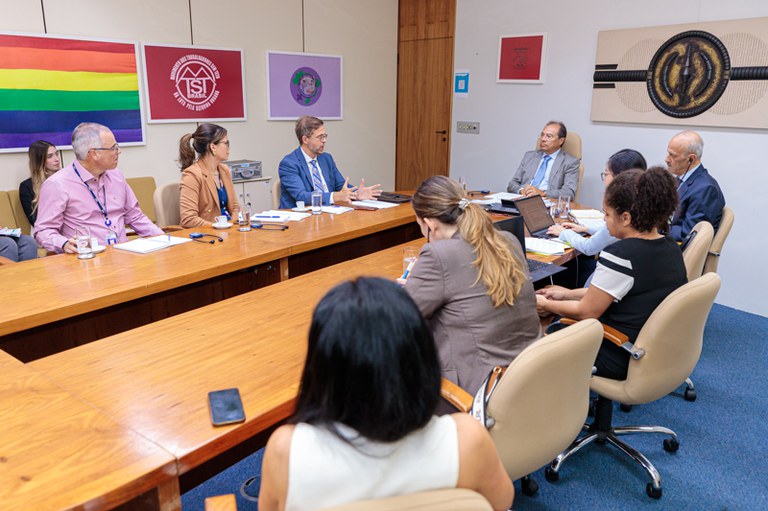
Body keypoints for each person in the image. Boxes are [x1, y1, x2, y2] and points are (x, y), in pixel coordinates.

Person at [258, 277, 514, 511]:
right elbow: (501, 502)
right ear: (421, 360)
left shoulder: (288, 451)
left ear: (321, 370)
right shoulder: (467, 440)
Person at [536, 166, 687, 380]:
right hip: (651, 346)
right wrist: (566, 293)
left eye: (606, 214)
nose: (604, 221)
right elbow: (621, 290)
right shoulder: (670, 246)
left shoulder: (621, 254)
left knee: (540, 329)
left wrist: (543, 304)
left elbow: (586, 312)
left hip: (616, 349)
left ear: (625, 218)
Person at [403, 175, 540, 398]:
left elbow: (400, 318)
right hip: (526, 378)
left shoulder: (440, 255)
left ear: (430, 225)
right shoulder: (507, 240)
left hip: (475, 392)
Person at [34, 122, 163, 254]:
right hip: (86, 261)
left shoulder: (116, 176)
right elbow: (43, 231)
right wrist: (64, 244)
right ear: (94, 154)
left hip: (124, 256)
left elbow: (135, 217)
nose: (118, 152)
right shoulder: (57, 185)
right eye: (113, 148)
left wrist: (164, 239)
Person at [546, 149, 647, 284]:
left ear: (620, 177)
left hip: (600, 282)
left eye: (606, 174)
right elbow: (608, 232)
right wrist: (586, 229)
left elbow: (589, 248)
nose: (604, 218)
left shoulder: (622, 211)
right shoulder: (643, 204)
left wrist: (563, 232)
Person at [278, 115, 381, 208]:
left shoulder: (326, 159)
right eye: (320, 137)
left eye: (325, 136)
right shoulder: (289, 164)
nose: (324, 141)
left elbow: (341, 185)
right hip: (299, 219)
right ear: (305, 139)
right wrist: (334, 196)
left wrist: (357, 193)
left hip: (329, 212)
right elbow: (301, 196)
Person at [665, 130, 725, 241]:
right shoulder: (680, 179)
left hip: (678, 252)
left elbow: (688, 234)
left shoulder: (705, 189)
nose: (667, 159)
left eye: (672, 156)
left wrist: (655, 228)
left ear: (691, 159)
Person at [178, 123, 239, 228]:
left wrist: (233, 225)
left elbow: (235, 207)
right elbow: (188, 219)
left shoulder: (224, 170)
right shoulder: (192, 175)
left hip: (229, 231)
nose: (228, 147)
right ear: (213, 147)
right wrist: (219, 227)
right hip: (208, 236)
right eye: (226, 143)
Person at [507, 121, 580, 199]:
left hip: (546, 203)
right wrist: (521, 190)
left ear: (561, 141)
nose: (543, 139)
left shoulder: (570, 162)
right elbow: (512, 184)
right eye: (542, 135)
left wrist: (543, 193)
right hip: (522, 199)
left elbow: (569, 193)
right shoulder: (529, 156)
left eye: (549, 136)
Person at [20, 140, 62, 227]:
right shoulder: (26, 186)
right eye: (50, 156)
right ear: (39, 160)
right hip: (46, 230)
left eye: (57, 154)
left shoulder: (67, 178)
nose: (57, 159)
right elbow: (34, 220)